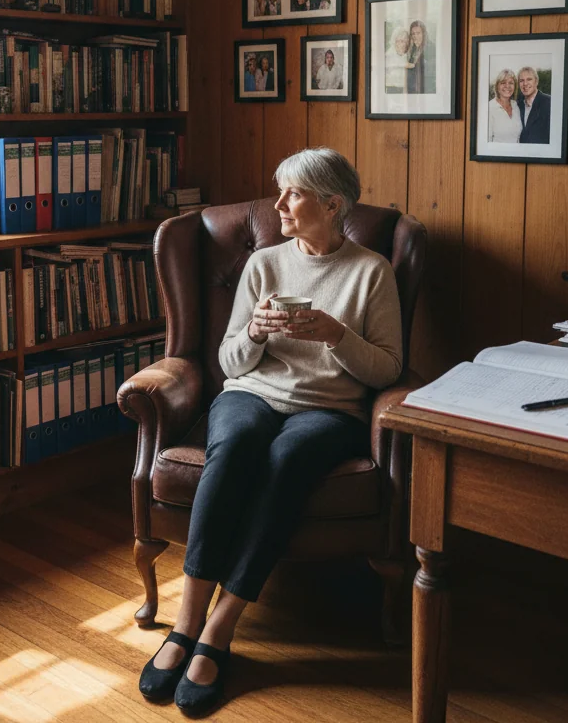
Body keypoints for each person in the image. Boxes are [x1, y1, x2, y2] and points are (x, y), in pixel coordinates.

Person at [137, 148, 402, 715]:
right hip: (252, 395)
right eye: (280, 190)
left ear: (332, 205)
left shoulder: (371, 272)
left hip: (330, 411)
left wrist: (336, 335)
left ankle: (221, 629)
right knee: (230, 448)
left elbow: (388, 370)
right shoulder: (264, 265)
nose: (278, 203)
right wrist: (253, 331)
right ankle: (185, 626)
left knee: (287, 462)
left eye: (294, 193)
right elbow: (231, 365)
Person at [487, 69, 523, 143]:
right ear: (497, 86)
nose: (507, 86)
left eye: (511, 83)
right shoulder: (490, 107)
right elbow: (487, 141)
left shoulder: (515, 105)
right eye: (503, 83)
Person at [517, 66, 551, 144]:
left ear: (536, 82)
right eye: (521, 80)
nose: (525, 84)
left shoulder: (549, 103)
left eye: (529, 79)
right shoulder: (518, 105)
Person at [407, 20, 436, 95]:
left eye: (418, 33)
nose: (415, 36)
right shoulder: (413, 48)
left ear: (424, 34)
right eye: (413, 34)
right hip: (413, 91)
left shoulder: (431, 48)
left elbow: (429, 72)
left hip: (427, 90)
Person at [384, 27, 411, 93]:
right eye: (400, 41)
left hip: (406, 88)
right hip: (393, 87)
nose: (403, 44)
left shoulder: (407, 53)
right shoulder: (389, 53)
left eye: (405, 41)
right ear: (395, 41)